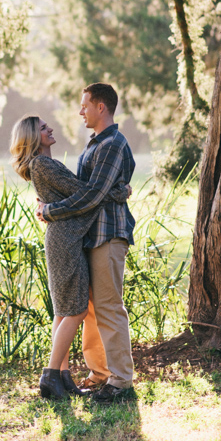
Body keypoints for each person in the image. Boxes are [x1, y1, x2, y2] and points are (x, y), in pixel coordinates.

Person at [9, 113, 130, 401]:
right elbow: (87, 194)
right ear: (31, 137)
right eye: (42, 128)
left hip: (66, 238)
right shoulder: (42, 164)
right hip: (65, 240)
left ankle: (62, 377)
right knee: (75, 310)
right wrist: (120, 191)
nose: (50, 128)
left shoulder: (46, 164)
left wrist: (49, 207)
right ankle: (50, 375)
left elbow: (78, 195)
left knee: (64, 310)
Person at [36, 83, 135, 404]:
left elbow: (92, 195)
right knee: (91, 310)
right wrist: (117, 190)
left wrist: (50, 210)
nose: (80, 111)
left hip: (108, 234)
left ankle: (120, 382)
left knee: (108, 308)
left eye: (85, 106)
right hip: (89, 235)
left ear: (101, 107)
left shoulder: (112, 144)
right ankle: (101, 373)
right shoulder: (96, 143)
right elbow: (90, 189)